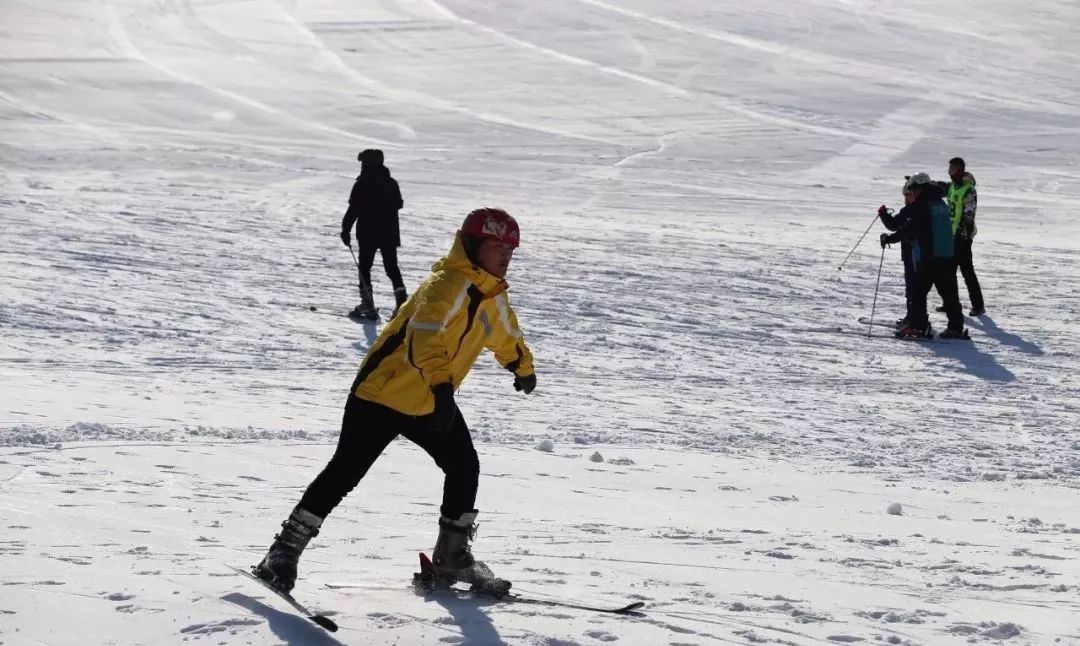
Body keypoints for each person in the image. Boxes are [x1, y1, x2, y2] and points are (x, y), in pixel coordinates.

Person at [256, 207, 537, 597]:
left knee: (463, 465)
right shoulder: (447, 284)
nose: (506, 255)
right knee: (345, 472)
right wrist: (442, 390)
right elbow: (425, 335)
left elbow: (503, 332)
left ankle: (451, 558)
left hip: (428, 401)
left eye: (510, 249)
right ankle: (282, 552)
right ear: (474, 246)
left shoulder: (490, 294)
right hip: (381, 394)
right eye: (496, 246)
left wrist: (520, 364)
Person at [879, 173, 967, 339]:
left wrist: (886, 225)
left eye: (912, 189)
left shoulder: (920, 205)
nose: (912, 193)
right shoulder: (940, 203)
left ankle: (919, 327)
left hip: (929, 258)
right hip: (948, 256)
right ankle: (956, 328)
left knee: (917, 293)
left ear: (918, 188)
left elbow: (900, 226)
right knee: (949, 295)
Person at [340, 149, 407, 319]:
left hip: (367, 232)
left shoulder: (362, 183)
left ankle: (367, 304)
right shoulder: (391, 183)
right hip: (389, 232)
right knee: (392, 267)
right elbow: (398, 204)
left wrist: (345, 229)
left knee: (364, 267)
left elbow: (353, 209)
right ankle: (402, 303)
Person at [936, 157, 985, 316]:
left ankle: (978, 305)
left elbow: (969, 215)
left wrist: (962, 236)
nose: (949, 172)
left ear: (959, 170)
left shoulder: (969, 190)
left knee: (966, 271)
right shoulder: (953, 187)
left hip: (962, 237)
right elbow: (939, 188)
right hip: (950, 235)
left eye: (951, 169)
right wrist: (922, 185)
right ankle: (950, 303)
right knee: (947, 271)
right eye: (948, 169)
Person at [877, 184, 917, 327]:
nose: (905, 198)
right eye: (904, 195)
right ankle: (912, 316)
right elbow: (903, 231)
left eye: (907, 195)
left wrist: (883, 214)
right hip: (911, 252)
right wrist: (889, 239)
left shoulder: (913, 210)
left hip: (914, 253)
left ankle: (914, 319)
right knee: (912, 285)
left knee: (913, 285)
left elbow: (894, 225)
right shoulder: (917, 209)